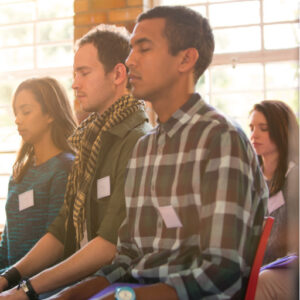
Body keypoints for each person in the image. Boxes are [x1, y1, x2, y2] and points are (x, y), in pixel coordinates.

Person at [51, 6, 268, 300]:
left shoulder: (220, 139)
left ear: (185, 59)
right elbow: (126, 258)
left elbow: (221, 273)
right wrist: (69, 295)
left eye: (143, 48)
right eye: (131, 50)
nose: (129, 61)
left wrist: (123, 297)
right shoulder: (144, 149)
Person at [0, 24, 151, 299]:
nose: (75, 83)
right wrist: (9, 278)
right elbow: (61, 231)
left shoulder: (137, 142)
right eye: (74, 74)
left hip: (115, 287)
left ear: (118, 74)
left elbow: (107, 247)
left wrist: (27, 289)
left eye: (84, 73)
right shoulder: (89, 141)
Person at [0, 77, 76, 273]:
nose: (17, 119)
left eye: (26, 111)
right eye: (16, 113)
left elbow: (56, 245)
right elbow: (7, 242)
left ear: (50, 114)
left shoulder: (64, 168)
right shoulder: (20, 172)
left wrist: (9, 280)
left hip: (39, 284)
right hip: (10, 279)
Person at [248, 100, 299, 300]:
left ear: (281, 131)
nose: (254, 135)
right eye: (252, 128)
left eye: (264, 128)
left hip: (287, 267)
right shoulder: (252, 178)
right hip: (256, 264)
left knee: (263, 281)